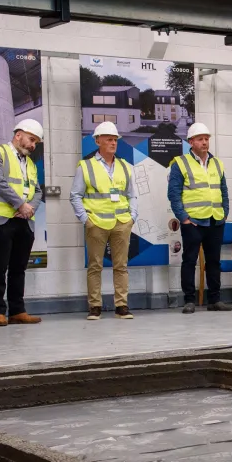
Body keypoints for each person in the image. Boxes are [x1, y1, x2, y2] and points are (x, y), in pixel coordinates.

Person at [71, 122, 138, 321]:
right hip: (96, 223)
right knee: (95, 266)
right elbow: (75, 195)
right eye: (109, 139)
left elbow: (132, 195)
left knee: (121, 266)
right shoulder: (86, 166)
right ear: (97, 141)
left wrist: (132, 217)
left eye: (115, 139)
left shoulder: (125, 166)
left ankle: (121, 306)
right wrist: (86, 220)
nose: (113, 143)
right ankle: (95, 306)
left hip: (121, 222)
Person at [0, 118, 44, 326]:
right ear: (18, 135)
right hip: (0, 218)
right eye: (31, 139)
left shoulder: (31, 165)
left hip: (24, 220)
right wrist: (20, 205)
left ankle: (18, 310)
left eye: (35, 142)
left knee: (19, 268)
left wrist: (29, 208)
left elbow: (38, 190)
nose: (33, 145)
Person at [169, 122, 231, 314]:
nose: (204, 142)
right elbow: (174, 193)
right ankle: (189, 300)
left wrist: (225, 212)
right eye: (200, 139)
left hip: (215, 220)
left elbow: (223, 191)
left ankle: (215, 300)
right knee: (189, 261)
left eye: (206, 139)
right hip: (193, 222)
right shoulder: (180, 163)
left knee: (214, 262)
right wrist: (184, 218)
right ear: (191, 142)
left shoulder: (217, 163)